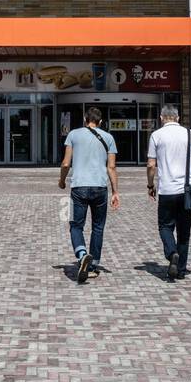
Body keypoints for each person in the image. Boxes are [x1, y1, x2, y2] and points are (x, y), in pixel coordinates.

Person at [58, 106, 119, 283]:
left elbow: (65, 163)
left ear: (85, 119)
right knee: (98, 227)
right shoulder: (108, 138)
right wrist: (115, 191)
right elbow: (112, 167)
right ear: (100, 122)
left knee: (76, 225)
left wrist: (62, 180)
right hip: (100, 187)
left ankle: (82, 254)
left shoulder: (73, 135)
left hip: (79, 187)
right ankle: (92, 266)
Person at [147, 104, 191, 281]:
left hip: (166, 190)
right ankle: (180, 270)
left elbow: (150, 165)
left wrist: (150, 185)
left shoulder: (156, 135)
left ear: (162, 118)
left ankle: (171, 254)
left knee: (165, 226)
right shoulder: (189, 134)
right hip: (186, 189)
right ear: (178, 118)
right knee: (184, 232)